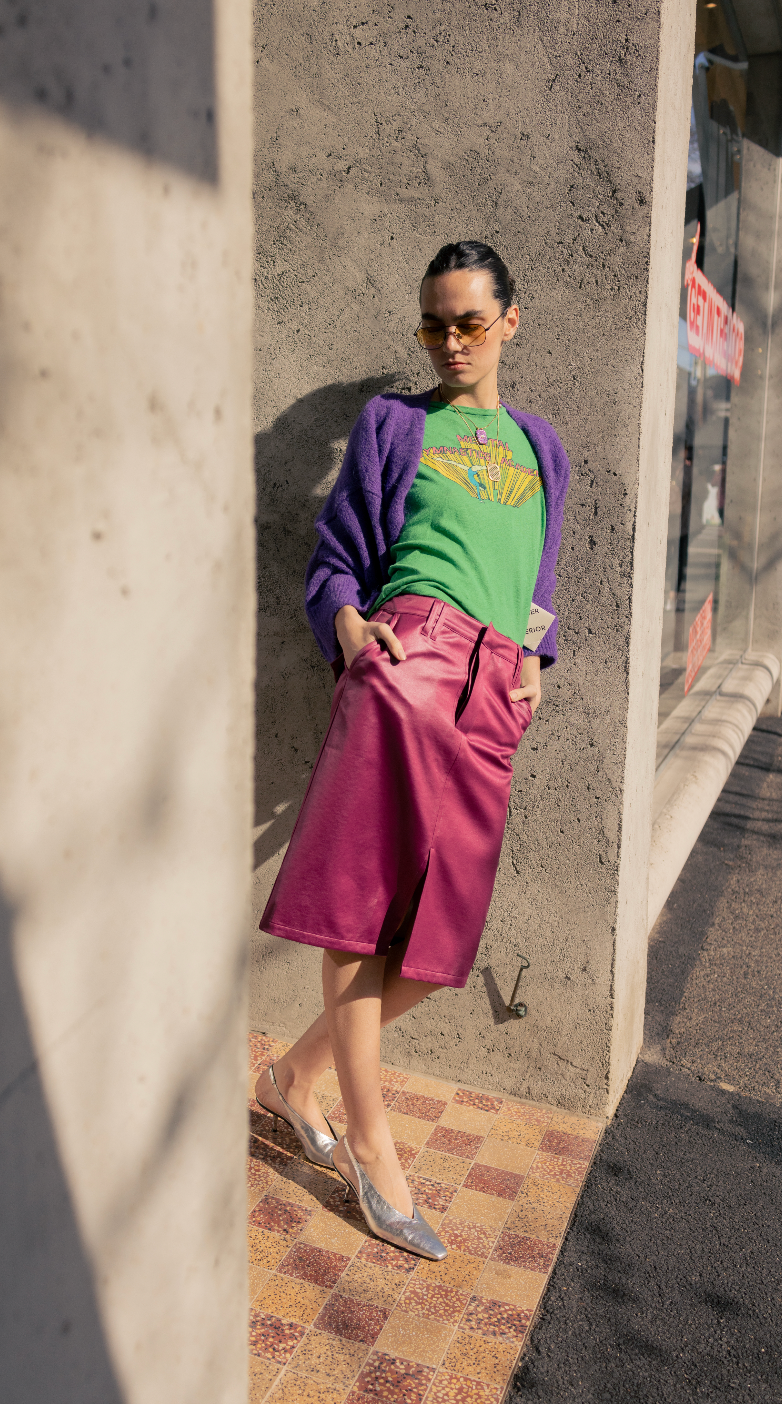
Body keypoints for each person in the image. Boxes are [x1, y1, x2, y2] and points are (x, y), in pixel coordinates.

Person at [256, 240, 570, 1260]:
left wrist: (536, 656)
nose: (450, 342)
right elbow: (339, 555)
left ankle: (296, 1077)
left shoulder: (541, 447)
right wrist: (349, 627)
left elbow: (535, 577)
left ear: (510, 320)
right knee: (357, 914)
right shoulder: (396, 424)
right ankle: (371, 1144)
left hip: (492, 690)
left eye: (469, 323)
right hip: (408, 659)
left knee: (441, 945)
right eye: (434, 325)